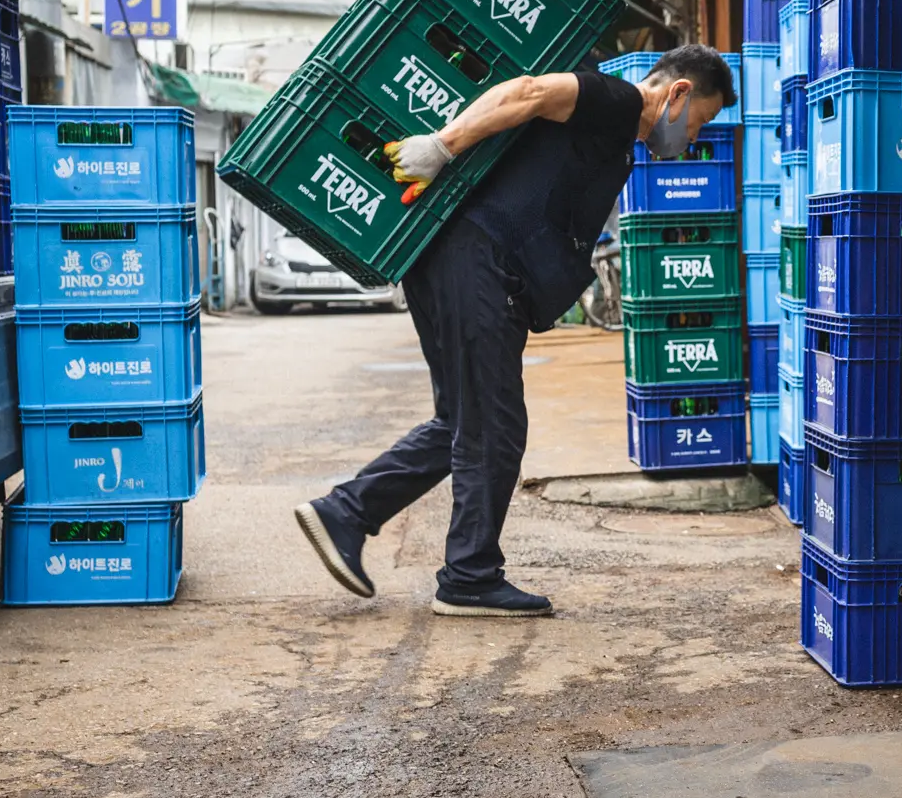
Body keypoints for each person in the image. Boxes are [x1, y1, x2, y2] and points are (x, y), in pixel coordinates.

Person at [294, 46, 737, 619]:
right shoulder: (617, 99)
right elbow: (526, 91)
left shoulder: (619, 132)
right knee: (494, 425)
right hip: (478, 262)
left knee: (463, 418)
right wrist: (443, 146)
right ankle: (469, 578)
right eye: (700, 119)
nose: (693, 136)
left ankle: (345, 513)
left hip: (457, 261)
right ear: (677, 93)